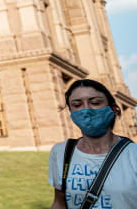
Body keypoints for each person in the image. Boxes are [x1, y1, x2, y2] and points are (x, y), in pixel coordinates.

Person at [49, 78, 136, 209]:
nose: (86, 110)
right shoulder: (61, 152)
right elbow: (59, 203)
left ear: (113, 108)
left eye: (95, 102)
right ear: (71, 112)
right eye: (77, 105)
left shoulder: (133, 154)